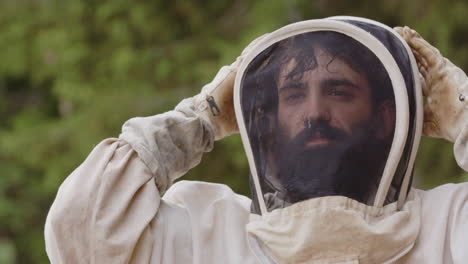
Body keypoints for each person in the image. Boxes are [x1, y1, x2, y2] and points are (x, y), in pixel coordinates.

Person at [45, 16, 468, 264]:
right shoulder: (207, 231)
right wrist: (199, 120)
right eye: (294, 95)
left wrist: (462, 112)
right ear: (268, 119)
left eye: (339, 92)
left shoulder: (447, 225)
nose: (315, 112)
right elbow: (80, 232)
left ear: (386, 116)